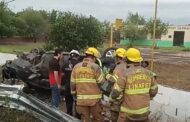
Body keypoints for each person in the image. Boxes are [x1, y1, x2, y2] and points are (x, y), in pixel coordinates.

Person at [110, 48, 158, 122]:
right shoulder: (149, 73)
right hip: (144, 113)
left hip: (127, 114)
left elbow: (115, 93)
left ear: (126, 59)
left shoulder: (125, 74)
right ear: (139, 60)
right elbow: (154, 91)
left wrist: (113, 100)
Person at [71, 47, 105, 122]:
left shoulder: (76, 67)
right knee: (98, 119)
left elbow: (72, 83)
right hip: (94, 101)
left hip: (81, 100)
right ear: (94, 57)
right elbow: (101, 82)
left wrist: (73, 93)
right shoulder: (95, 67)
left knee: (85, 119)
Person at [104, 48, 128, 122]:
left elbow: (113, 80)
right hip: (126, 96)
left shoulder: (118, 67)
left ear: (118, 57)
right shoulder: (128, 66)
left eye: (115, 57)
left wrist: (106, 75)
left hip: (118, 96)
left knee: (114, 115)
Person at [62, 50, 81, 118]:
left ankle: (69, 116)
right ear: (77, 56)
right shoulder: (79, 64)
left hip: (67, 86)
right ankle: (77, 117)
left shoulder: (65, 63)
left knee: (68, 102)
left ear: (70, 55)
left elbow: (62, 74)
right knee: (77, 102)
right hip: (76, 86)